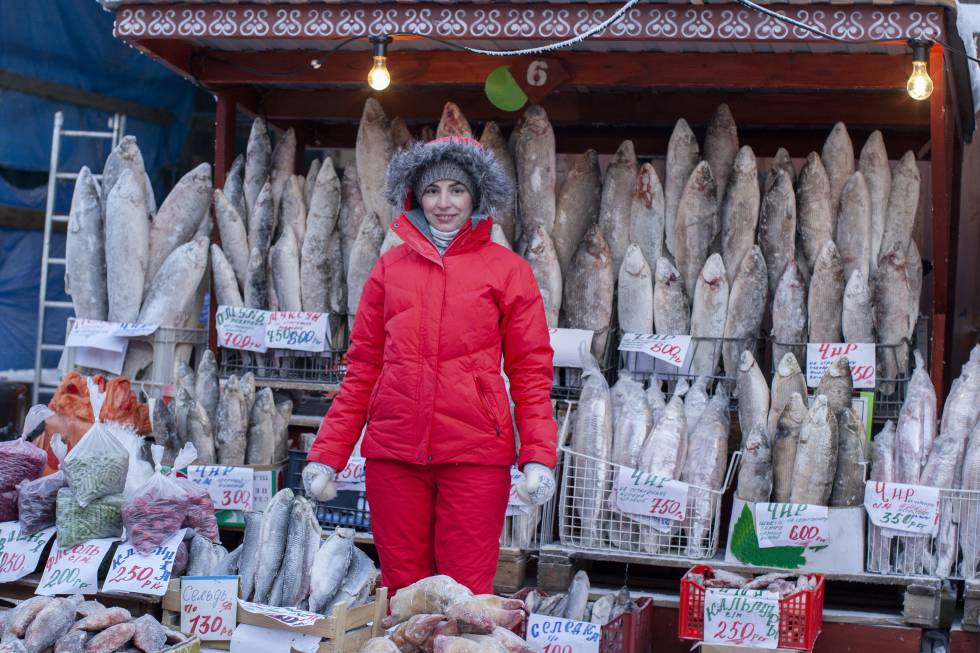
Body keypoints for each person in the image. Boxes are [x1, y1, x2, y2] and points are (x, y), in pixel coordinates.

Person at [303, 136, 558, 594]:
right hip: (394, 457)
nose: (444, 203)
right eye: (432, 190)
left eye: (456, 190)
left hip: (475, 456)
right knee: (405, 594)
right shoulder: (388, 270)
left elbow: (531, 371)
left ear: (476, 195)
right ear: (415, 196)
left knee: (464, 595)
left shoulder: (508, 271)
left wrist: (538, 454)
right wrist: (327, 453)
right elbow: (363, 367)